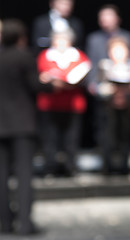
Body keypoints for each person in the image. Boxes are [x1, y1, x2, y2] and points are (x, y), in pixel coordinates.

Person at [0, 19, 53, 235]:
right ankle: (24, 224)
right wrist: (48, 82)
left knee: (1, 177)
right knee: (24, 175)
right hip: (22, 124)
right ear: (21, 37)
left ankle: (4, 223)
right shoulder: (25, 57)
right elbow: (35, 85)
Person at [36, 29, 91, 177]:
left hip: (72, 104)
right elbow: (41, 75)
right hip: (50, 104)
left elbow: (83, 76)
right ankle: (50, 168)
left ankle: (71, 167)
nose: (60, 44)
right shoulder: (45, 56)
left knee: (71, 138)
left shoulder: (78, 56)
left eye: (64, 40)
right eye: (57, 40)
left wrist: (66, 83)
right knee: (50, 138)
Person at [85, 4, 130, 155]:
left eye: (109, 16)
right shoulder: (94, 38)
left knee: (125, 127)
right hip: (104, 88)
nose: (106, 20)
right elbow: (92, 63)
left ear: (117, 19)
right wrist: (93, 84)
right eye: (102, 17)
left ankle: (123, 158)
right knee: (103, 124)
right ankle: (105, 157)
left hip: (125, 89)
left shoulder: (127, 37)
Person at [97, 37, 130, 175]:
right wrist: (111, 89)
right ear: (109, 52)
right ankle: (107, 167)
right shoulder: (105, 65)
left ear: (128, 52)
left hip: (127, 106)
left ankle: (124, 167)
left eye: (122, 50)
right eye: (115, 50)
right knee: (108, 137)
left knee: (126, 136)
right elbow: (99, 87)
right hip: (109, 107)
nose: (118, 54)